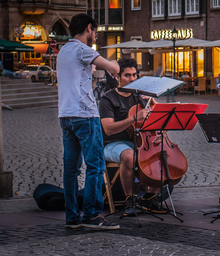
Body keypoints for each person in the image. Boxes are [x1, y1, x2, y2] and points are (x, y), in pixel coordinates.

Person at [58, 13, 121, 230]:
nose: (95, 35)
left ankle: (72, 216)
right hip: (85, 115)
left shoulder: (63, 50)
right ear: (88, 28)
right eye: (95, 31)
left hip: (66, 115)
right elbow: (114, 69)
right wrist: (113, 61)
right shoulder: (83, 49)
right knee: (95, 166)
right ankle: (93, 215)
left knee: (71, 169)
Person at [98, 57, 161, 216]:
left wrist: (153, 104)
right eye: (128, 75)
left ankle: (149, 197)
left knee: (161, 154)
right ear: (117, 77)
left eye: (134, 75)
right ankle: (129, 199)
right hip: (112, 144)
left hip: (137, 141)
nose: (132, 79)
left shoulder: (139, 96)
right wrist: (134, 118)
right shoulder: (108, 99)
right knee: (129, 156)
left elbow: (158, 119)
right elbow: (108, 129)